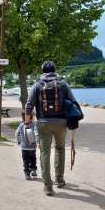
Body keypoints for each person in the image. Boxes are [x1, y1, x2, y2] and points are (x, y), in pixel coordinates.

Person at [25, 60, 77, 196]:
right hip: (61, 123)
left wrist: (26, 122)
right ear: (55, 70)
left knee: (45, 152)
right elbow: (73, 102)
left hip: (43, 122)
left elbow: (29, 105)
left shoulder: (37, 85)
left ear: (43, 71)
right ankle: (59, 179)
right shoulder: (63, 84)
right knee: (60, 149)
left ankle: (48, 186)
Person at [15, 113, 38, 180]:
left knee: (25, 160)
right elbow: (36, 133)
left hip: (24, 147)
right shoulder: (33, 125)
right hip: (32, 147)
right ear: (31, 118)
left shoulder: (21, 125)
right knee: (33, 158)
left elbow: (17, 133)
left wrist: (19, 141)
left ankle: (27, 173)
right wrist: (38, 141)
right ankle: (33, 170)